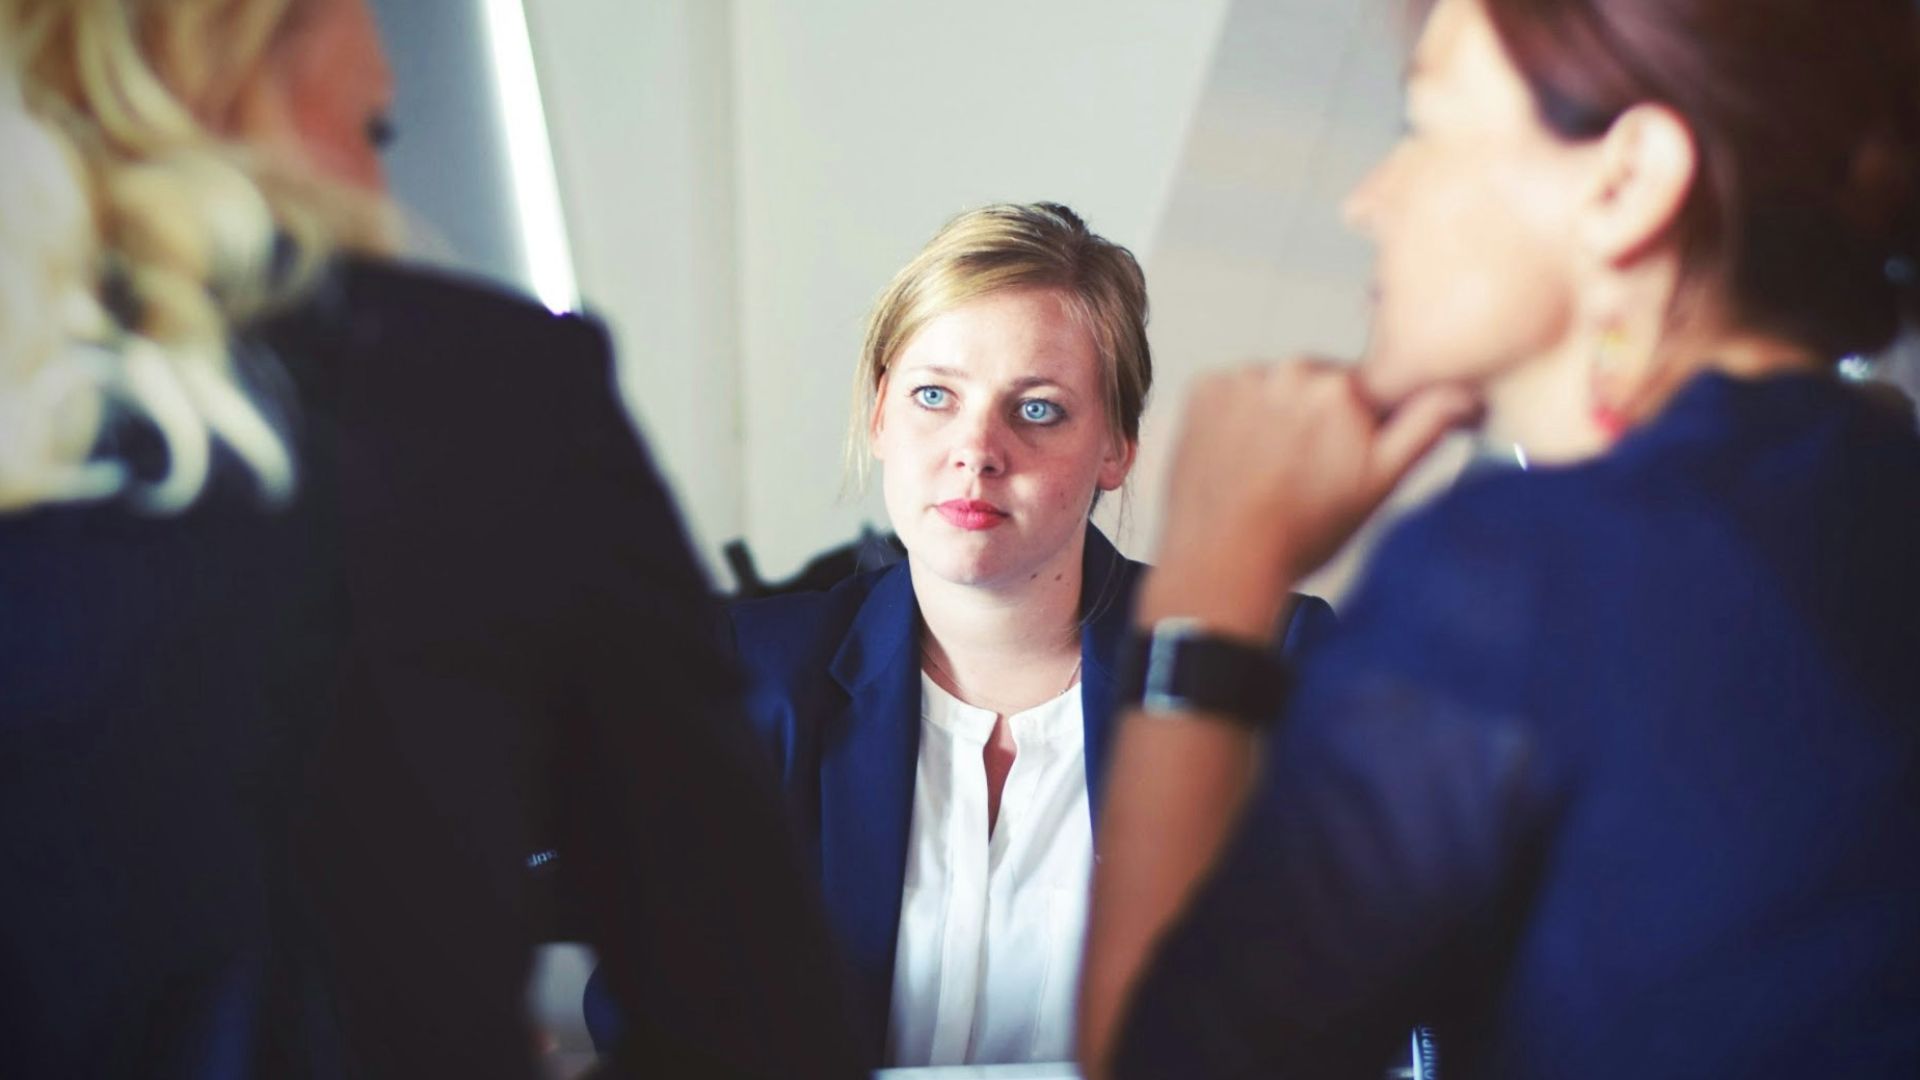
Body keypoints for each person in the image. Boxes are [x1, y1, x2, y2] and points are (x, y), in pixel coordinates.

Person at [0, 1, 866, 1076]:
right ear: (222, 60)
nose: (380, 192)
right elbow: (755, 1016)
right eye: (375, 134)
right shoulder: (477, 395)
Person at [1077, 0, 1920, 1077]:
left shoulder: (1523, 574)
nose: (1365, 202)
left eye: (1421, 128)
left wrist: (1212, 570)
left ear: (1625, 184)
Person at [585, 202, 1333, 1067]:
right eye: (934, 396)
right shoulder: (743, 675)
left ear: (1117, 447)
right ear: (879, 416)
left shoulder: (1265, 664)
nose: (975, 450)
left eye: (1040, 410)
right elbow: (651, 1033)